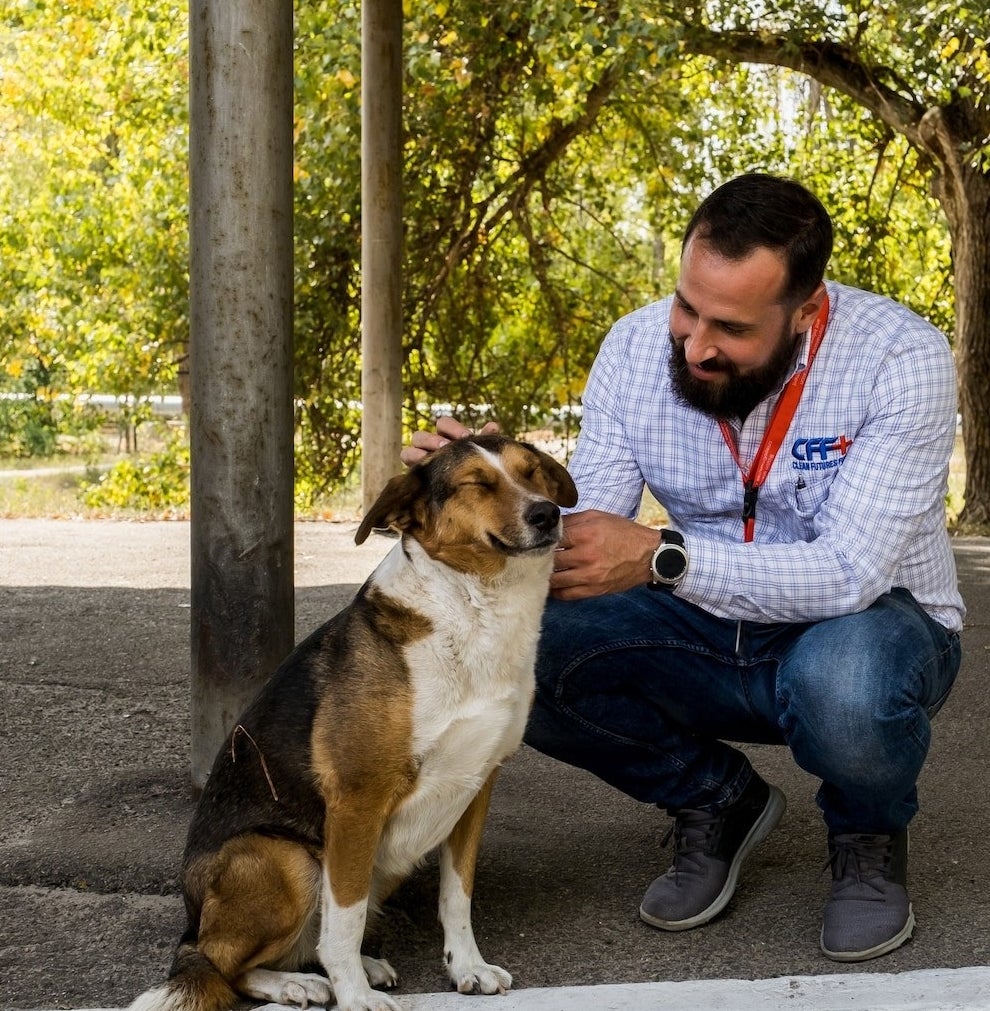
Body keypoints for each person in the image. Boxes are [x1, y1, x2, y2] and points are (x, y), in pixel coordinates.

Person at [402, 172, 965, 963]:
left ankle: (868, 829)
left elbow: (851, 572)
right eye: (686, 307)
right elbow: (582, 529)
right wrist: (497, 484)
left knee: (848, 684)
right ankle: (716, 800)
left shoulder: (902, 357)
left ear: (804, 312)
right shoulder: (636, 349)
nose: (696, 343)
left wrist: (665, 557)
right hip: (704, 619)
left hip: (870, 623)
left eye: (730, 327)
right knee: (525, 639)